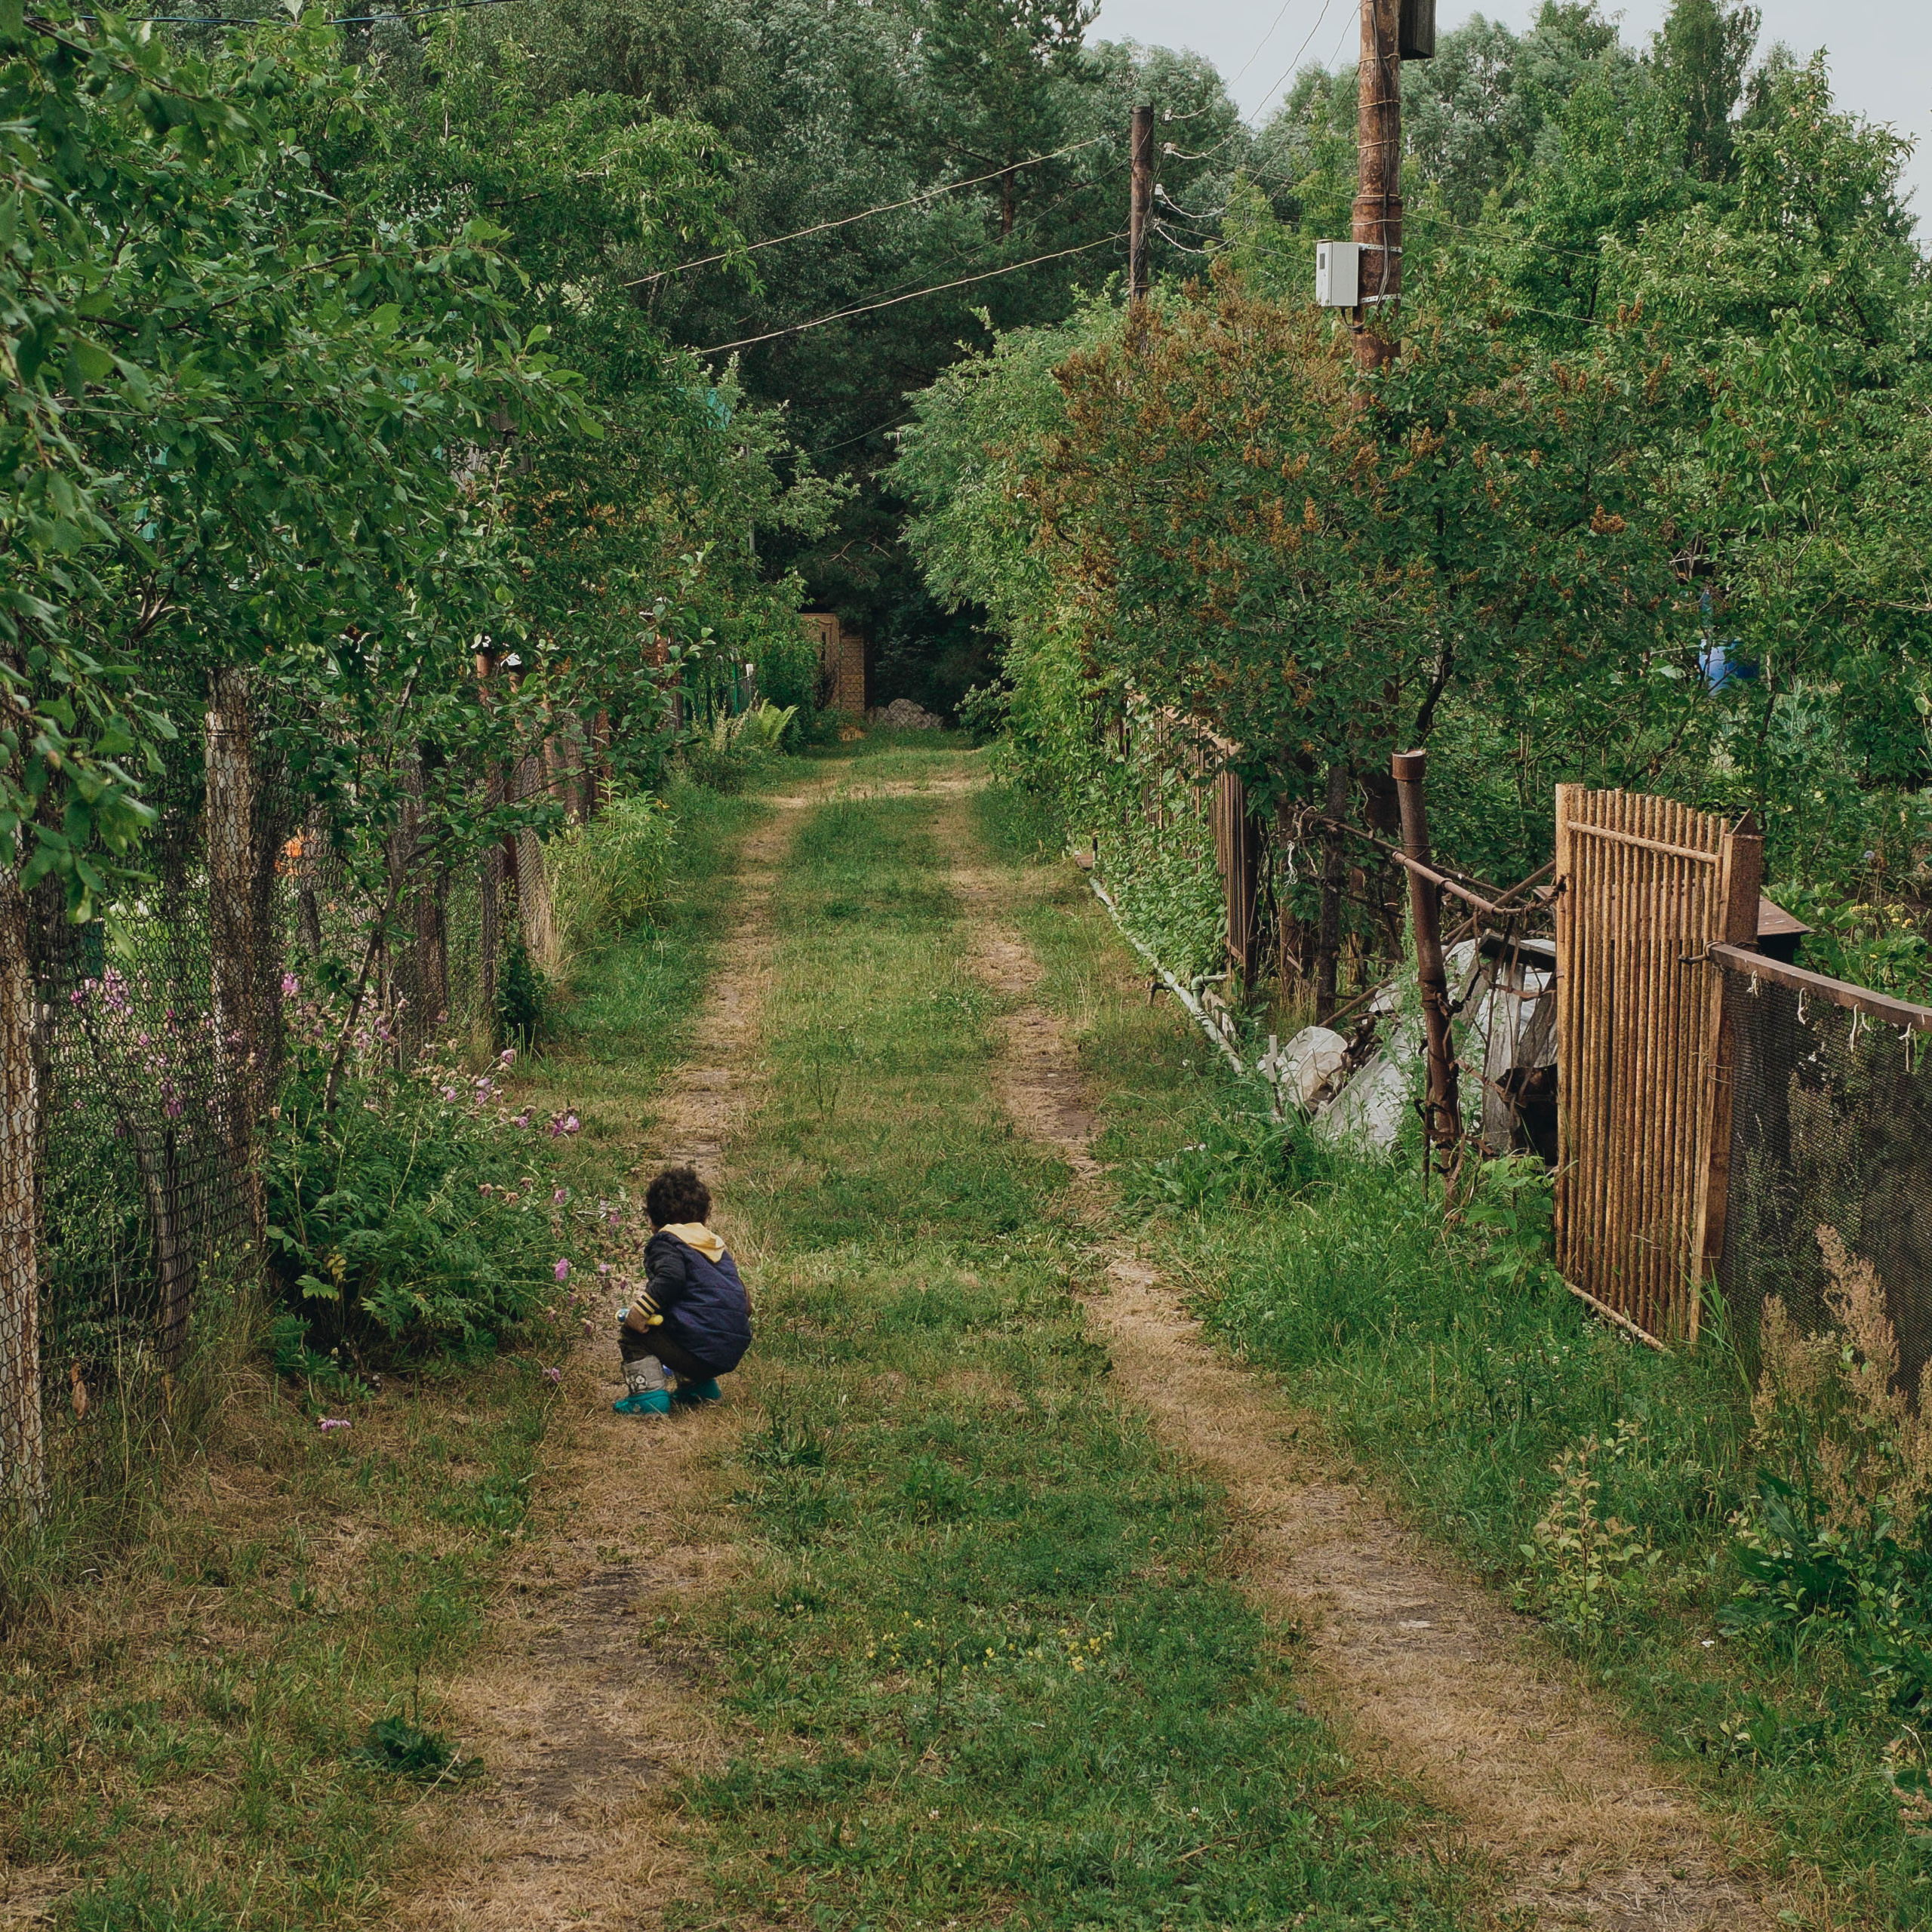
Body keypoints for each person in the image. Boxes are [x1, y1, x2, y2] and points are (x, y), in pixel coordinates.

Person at [614, 1165, 752, 1417]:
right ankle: (700, 1389)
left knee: (634, 1333)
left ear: (653, 1221)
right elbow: (745, 1302)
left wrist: (640, 1312)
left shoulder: (666, 1242)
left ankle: (647, 1400)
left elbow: (671, 1278)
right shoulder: (714, 1245)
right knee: (684, 1317)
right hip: (730, 1351)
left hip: (698, 1352)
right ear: (704, 1218)